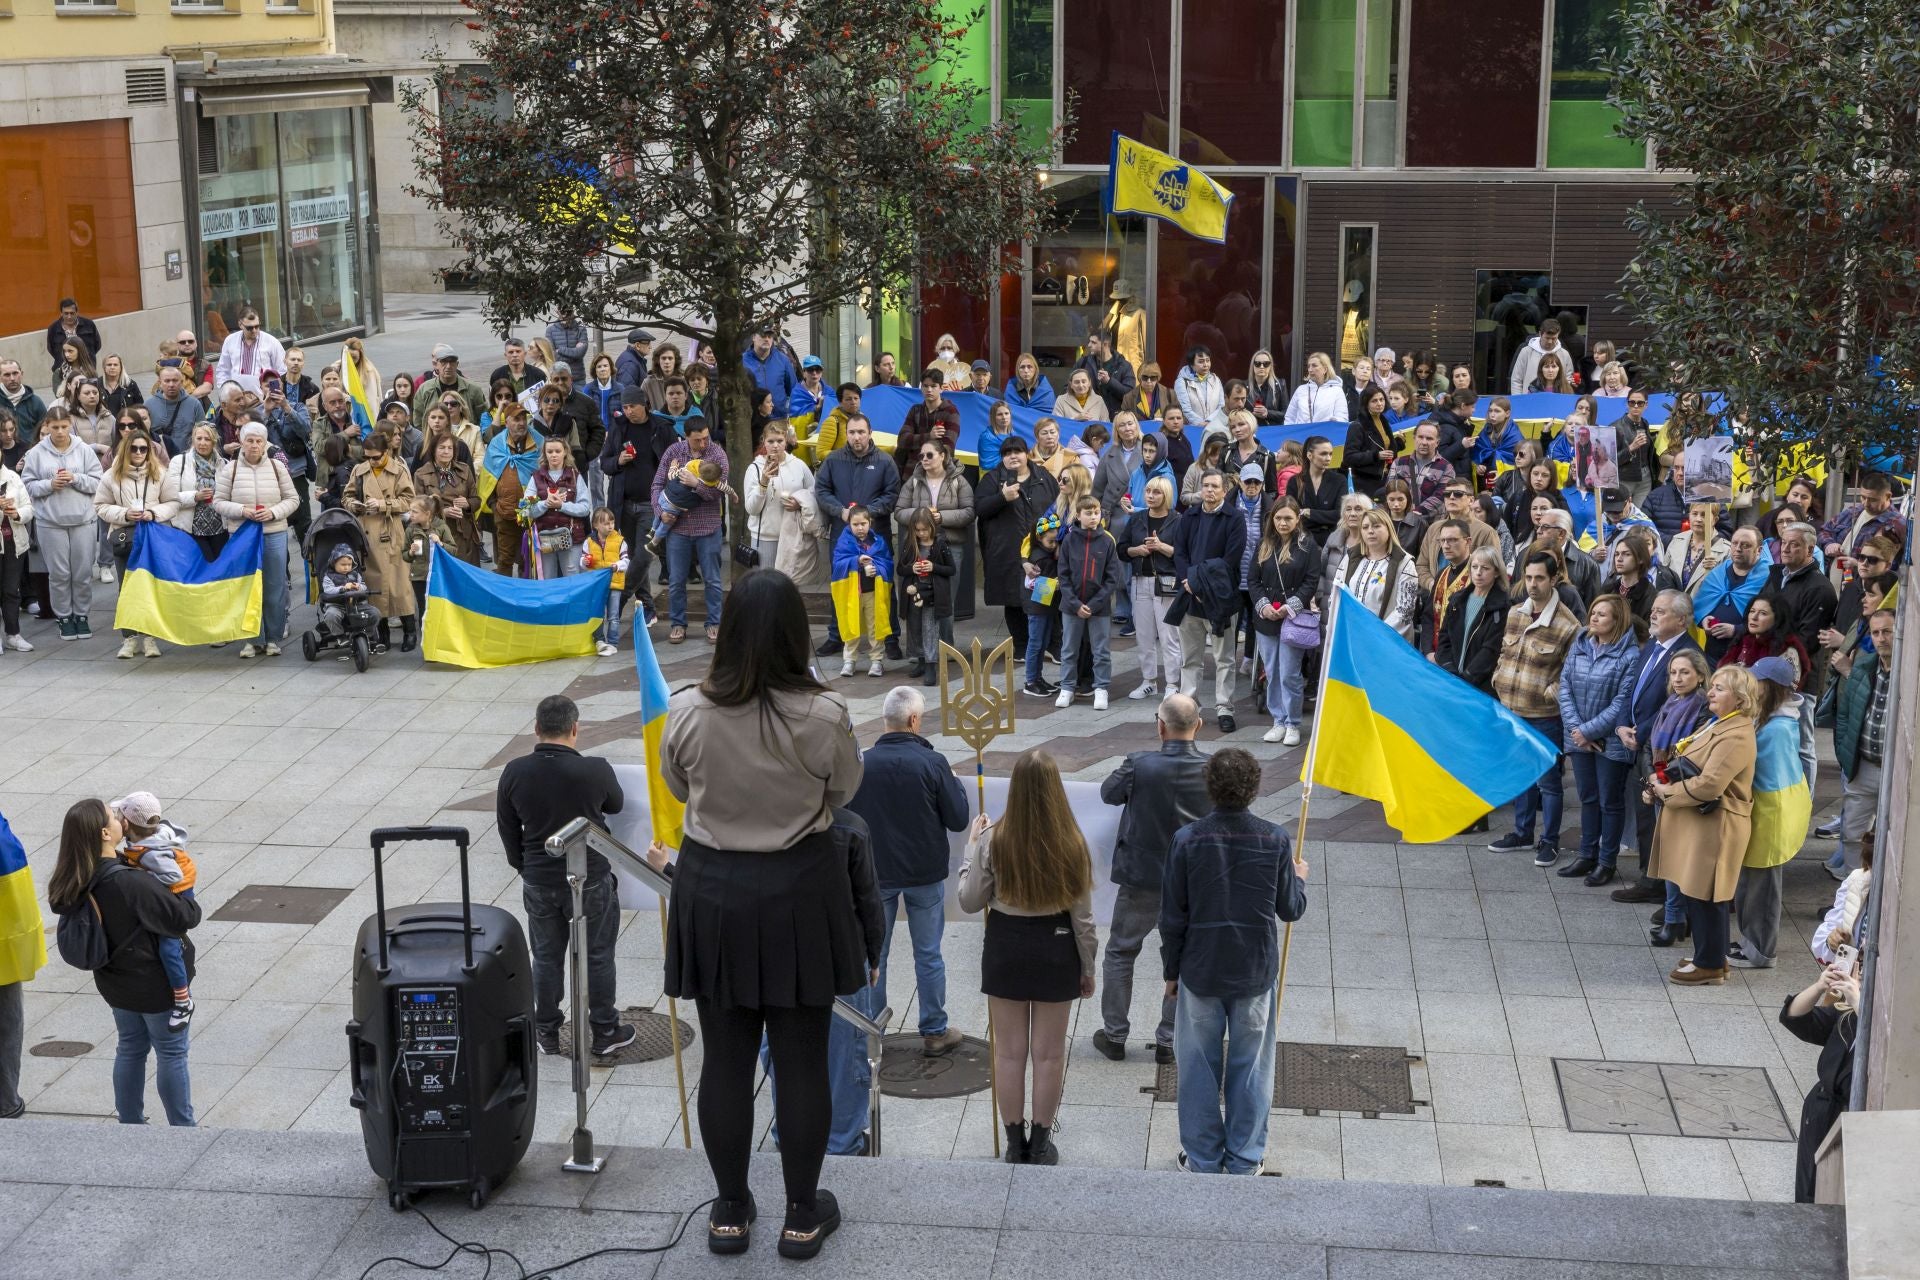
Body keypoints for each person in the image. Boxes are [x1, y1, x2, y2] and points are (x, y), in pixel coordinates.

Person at [658, 570, 869, 1255]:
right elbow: (843, 790)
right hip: (798, 888)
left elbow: (679, 783)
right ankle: (802, 1214)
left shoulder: (688, 710)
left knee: (724, 1058)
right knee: (802, 1060)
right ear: (793, 636)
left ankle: (729, 1210)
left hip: (714, 887)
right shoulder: (825, 714)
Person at [1161, 747, 1308, 1175]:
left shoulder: (1187, 840)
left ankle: (1203, 1156)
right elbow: (1289, 910)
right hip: (1254, 969)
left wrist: (1171, 971)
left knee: (1198, 1070)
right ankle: (1245, 1156)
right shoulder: (1276, 838)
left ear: (1209, 787)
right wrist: (1299, 880)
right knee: (1252, 1070)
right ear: (1254, 788)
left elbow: (1173, 915)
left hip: (1201, 967)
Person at [958, 750, 1096, 1166]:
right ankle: (1040, 1141)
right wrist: (1087, 968)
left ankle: (1014, 1142)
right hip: (1056, 948)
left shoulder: (994, 838)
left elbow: (968, 901)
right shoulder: (1072, 841)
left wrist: (970, 849)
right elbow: (1084, 920)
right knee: (1049, 1054)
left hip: (1006, 946)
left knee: (1009, 1052)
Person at [495, 695, 634, 1057]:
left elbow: (508, 828)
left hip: (540, 879)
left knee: (545, 957)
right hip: (591, 877)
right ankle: (605, 1031)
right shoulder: (596, 769)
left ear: (537, 729)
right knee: (599, 954)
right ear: (575, 728)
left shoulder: (514, 772)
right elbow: (615, 805)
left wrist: (523, 866)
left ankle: (547, 1031)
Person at [47, 798, 199, 1125]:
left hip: (114, 983)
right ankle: (184, 1130)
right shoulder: (132, 881)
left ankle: (129, 1124)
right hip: (156, 986)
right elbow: (186, 917)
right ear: (105, 833)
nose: (120, 819)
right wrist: (184, 881)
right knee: (172, 1053)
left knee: (130, 1048)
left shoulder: (76, 876)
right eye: (113, 816)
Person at [1085, 693, 1211, 1069]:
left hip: (1141, 876)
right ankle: (1168, 1040)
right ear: (1199, 725)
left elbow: (1108, 794)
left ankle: (1115, 1034)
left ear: (1160, 726)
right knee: (1183, 958)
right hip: (1189, 880)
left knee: (1122, 951)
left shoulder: (1139, 764)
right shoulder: (1212, 768)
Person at [846, 687, 970, 1054]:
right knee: (928, 953)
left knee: (875, 954)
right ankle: (934, 1031)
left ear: (886, 720)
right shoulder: (933, 763)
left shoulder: (863, 762)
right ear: (914, 720)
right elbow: (958, 818)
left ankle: (872, 1032)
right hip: (924, 872)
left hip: (876, 872)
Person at [1645, 665, 1759, 986]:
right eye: (1714, 686)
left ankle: (1709, 964)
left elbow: (1710, 784)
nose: (1710, 691)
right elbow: (1688, 764)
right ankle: (1710, 957)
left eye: (1720, 688)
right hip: (1703, 823)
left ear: (1740, 699)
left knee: (1707, 893)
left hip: (1716, 826)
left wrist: (1668, 793)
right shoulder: (1718, 724)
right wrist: (1658, 784)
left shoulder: (1736, 733)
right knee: (1699, 892)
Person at [1490, 551, 1581, 867]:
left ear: (1554, 579)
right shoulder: (1516, 612)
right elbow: (1505, 653)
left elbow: (1570, 673)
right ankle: (1521, 833)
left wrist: (1549, 694)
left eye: (1539, 577)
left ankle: (1550, 841)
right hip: (1512, 708)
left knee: (1548, 782)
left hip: (1543, 715)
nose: (1532, 584)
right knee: (1520, 776)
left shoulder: (1567, 624)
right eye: (1528, 577)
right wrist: (1499, 679)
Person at [1723, 656, 1811, 972]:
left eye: (1756, 681)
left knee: (1762, 889)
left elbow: (1752, 769)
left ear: (1770, 687)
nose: (1750, 685)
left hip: (1771, 814)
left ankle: (1760, 950)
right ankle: (1750, 941)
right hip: (1766, 811)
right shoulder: (1773, 718)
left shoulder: (1776, 729)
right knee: (1751, 884)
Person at [1556, 595, 1639, 886]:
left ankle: (1606, 861)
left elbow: (1622, 702)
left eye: (1602, 615)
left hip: (1610, 741)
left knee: (1610, 801)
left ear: (1617, 621)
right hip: (1579, 738)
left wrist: (1589, 731)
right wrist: (1578, 730)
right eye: (1593, 612)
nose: (1594, 618)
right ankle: (1586, 854)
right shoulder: (1579, 645)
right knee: (1587, 798)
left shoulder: (1629, 656)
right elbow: (1564, 686)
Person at [1778, 965, 1862, 1203]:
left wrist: (1860, 1005)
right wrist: (1819, 986)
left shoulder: (1875, 1017)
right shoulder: (1846, 1013)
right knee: (1808, 1187)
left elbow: (1887, 1049)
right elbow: (1795, 1017)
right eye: (1861, 966)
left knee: (1839, 1193)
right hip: (1820, 1109)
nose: (1861, 974)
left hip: (1852, 1112)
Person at [1173, 469, 1247, 733]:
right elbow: (1179, 552)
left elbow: (1230, 560)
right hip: (1189, 597)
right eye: (1206, 486)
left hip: (1221, 597)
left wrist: (1197, 581)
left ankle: (1225, 708)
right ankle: (1189, 707)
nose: (1210, 491)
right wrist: (1187, 581)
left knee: (1224, 657)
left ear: (1224, 490)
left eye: (1215, 486)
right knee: (1190, 658)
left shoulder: (1235, 518)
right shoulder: (1189, 516)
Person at [94, 431, 180, 659]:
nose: (139, 453)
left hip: (154, 538)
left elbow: (173, 502)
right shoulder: (111, 476)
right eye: (134, 448)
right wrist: (125, 514)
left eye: (143, 449)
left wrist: (153, 513)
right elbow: (100, 506)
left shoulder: (160, 473)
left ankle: (150, 638)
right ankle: (129, 638)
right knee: (127, 589)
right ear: (125, 450)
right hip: (125, 537)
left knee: (152, 587)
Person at [21, 407, 103, 641]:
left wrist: (75, 478)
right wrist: (49, 485)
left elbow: (98, 482)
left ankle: (82, 614)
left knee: (82, 571)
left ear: (70, 425)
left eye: (64, 427)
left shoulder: (84, 450)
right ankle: (64, 616)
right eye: (54, 427)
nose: (59, 432)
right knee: (59, 573)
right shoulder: (36, 453)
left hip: (82, 519)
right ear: (46, 426)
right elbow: (27, 486)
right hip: (50, 521)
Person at [975, 436, 1056, 659]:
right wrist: (1001, 497)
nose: (1013, 456)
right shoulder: (993, 479)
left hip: (1041, 549)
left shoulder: (1043, 476)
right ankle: (1021, 646)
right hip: (1008, 550)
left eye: (1017, 451)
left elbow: (1057, 505)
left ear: (1026, 453)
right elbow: (979, 508)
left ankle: (1050, 644)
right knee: (1013, 598)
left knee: (1044, 595)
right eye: (1007, 453)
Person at [1250, 499, 1321, 744]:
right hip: (1266, 618)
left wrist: (1291, 606)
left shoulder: (1308, 546)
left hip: (1293, 619)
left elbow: (1311, 582)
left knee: (1289, 673)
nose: (1282, 523)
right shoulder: (1264, 544)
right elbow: (1253, 580)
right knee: (1271, 672)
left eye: (1288, 518)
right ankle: (1277, 720)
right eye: (1278, 518)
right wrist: (1264, 605)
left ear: (1297, 519)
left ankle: (1293, 723)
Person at [652, 419, 729, 645]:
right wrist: (660, 511)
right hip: (678, 528)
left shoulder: (717, 454)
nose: (703, 443)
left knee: (713, 580)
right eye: (698, 439)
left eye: (706, 437)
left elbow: (718, 492)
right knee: (676, 580)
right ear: (686, 437)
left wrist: (697, 484)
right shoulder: (673, 452)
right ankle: (678, 624)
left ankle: (714, 623)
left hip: (708, 527)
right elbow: (657, 484)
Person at [1832, 610, 1895, 878]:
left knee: (1892, 840)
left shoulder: (1908, 671)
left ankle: (1880, 906)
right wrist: (1847, 756)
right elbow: (1845, 714)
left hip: (1896, 771)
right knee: (1852, 834)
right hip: (1863, 765)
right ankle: (1851, 900)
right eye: (1875, 632)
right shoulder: (1864, 666)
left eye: (1887, 632)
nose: (1881, 638)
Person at [342, 429, 418, 652]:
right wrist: (353, 505)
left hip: (391, 532)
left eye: (376, 457)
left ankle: (409, 631)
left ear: (386, 452)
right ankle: (381, 631)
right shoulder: (359, 470)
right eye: (367, 456)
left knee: (399, 585)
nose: (371, 461)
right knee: (374, 586)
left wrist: (384, 504)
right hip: (368, 533)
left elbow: (408, 500)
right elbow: (347, 495)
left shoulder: (399, 470)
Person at [1052, 494, 1123, 709]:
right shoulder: (1070, 541)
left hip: (1098, 608)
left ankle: (1101, 688)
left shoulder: (1107, 540)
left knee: (1101, 650)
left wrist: (1093, 604)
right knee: (1069, 648)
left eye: (1096, 512)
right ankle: (1067, 687)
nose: (1093, 517)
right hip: (1071, 606)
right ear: (1079, 515)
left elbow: (1112, 578)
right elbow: (1063, 576)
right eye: (1088, 513)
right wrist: (1075, 603)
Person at [1434, 546, 1510, 697]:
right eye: (1474, 567)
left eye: (1485, 568)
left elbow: (1490, 650)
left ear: (1496, 572)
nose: (1478, 572)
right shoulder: (1457, 600)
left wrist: (1467, 678)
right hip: (1451, 681)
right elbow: (1444, 638)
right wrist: (1450, 670)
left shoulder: (1502, 606)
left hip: (1480, 688)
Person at [1333, 509, 1419, 639]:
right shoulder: (1350, 558)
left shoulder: (1404, 563)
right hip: (1350, 635)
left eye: (1376, 526)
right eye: (1365, 527)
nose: (1370, 531)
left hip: (1385, 641)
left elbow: (1404, 611)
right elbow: (1335, 596)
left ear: (1389, 529)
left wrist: (1374, 635)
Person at [892, 506, 955, 684]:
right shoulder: (910, 544)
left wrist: (934, 567)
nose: (921, 534)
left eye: (925, 530)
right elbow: (900, 569)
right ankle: (920, 660)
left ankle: (930, 665)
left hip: (933, 594)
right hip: (913, 593)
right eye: (918, 530)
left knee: (930, 629)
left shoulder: (940, 543)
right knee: (915, 628)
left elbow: (951, 569)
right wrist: (911, 568)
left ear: (932, 527)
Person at [831, 508, 893, 677]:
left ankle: (877, 661)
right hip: (852, 594)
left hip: (873, 592)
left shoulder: (878, 542)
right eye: (855, 524)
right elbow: (837, 564)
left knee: (875, 626)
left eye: (863, 524)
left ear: (870, 523)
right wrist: (856, 561)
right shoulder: (844, 542)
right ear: (849, 524)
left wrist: (877, 570)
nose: (860, 528)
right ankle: (849, 660)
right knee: (851, 625)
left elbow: (887, 563)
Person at [1819, 470, 1906, 579]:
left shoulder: (1896, 524)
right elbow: (1825, 530)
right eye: (1863, 497)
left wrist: (1860, 564)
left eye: (1873, 500)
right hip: (1832, 575)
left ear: (1888, 496)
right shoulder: (1854, 511)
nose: (1866, 503)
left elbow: (1893, 565)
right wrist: (1829, 544)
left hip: (1862, 586)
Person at [0, 445, 31, 658]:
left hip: (13, 542)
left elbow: (29, 507)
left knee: (12, 590)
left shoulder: (11, 476)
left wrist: (17, 513)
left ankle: (13, 634)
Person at [211, 308, 285, 395]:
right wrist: (225, 392)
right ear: (240, 324)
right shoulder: (230, 340)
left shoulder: (271, 341)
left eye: (257, 326)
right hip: (237, 397)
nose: (254, 330)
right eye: (249, 328)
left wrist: (273, 393)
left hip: (263, 397)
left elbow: (281, 371)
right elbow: (223, 370)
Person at [1285, 436, 1343, 544]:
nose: (1328, 458)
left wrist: (1309, 512)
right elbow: (1292, 513)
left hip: (1331, 540)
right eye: (1323, 454)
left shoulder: (1339, 480)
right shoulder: (1294, 481)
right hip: (1302, 539)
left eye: (1330, 454)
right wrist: (1325, 516)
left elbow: (1340, 514)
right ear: (1309, 455)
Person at [1344, 386, 1397, 497]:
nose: (1379, 403)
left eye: (1381, 399)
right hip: (1364, 482)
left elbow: (1384, 447)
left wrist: (1399, 443)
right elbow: (1349, 457)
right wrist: (1375, 456)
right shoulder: (1357, 426)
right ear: (1366, 403)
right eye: (1374, 401)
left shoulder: (1383, 420)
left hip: (1384, 478)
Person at [743, 325, 799, 408]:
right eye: (763, 335)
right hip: (752, 418)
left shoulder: (783, 360)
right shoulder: (742, 361)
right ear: (753, 337)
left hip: (779, 417)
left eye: (769, 336)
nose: (766, 339)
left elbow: (794, 390)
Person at [1284, 352, 1348, 424]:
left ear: (1325, 369)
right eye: (1309, 366)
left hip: (1325, 434)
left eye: (1314, 366)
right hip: (1302, 434)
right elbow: (1290, 417)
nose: (1310, 370)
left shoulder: (1337, 391)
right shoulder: (1301, 390)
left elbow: (1342, 418)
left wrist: (1334, 421)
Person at [45, 299, 102, 379]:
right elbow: (51, 349)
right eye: (66, 313)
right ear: (61, 313)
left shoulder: (89, 325)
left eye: (72, 313)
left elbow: (97, 345)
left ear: (77, 312)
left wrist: (85, 356)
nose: (69, 316)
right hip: (63, 373)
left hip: (87, 371)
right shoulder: (53, 328)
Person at [1509, 318, 1564, 394]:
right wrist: (1518, 401)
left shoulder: (1564, 354)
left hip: (1556, 401)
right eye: (1547, 338)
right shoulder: (1526, 351)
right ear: (1540, 334)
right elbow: (1516, 379)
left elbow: (1568, 380)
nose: (1550, 341)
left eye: (1554, 338)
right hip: (1528, 400)